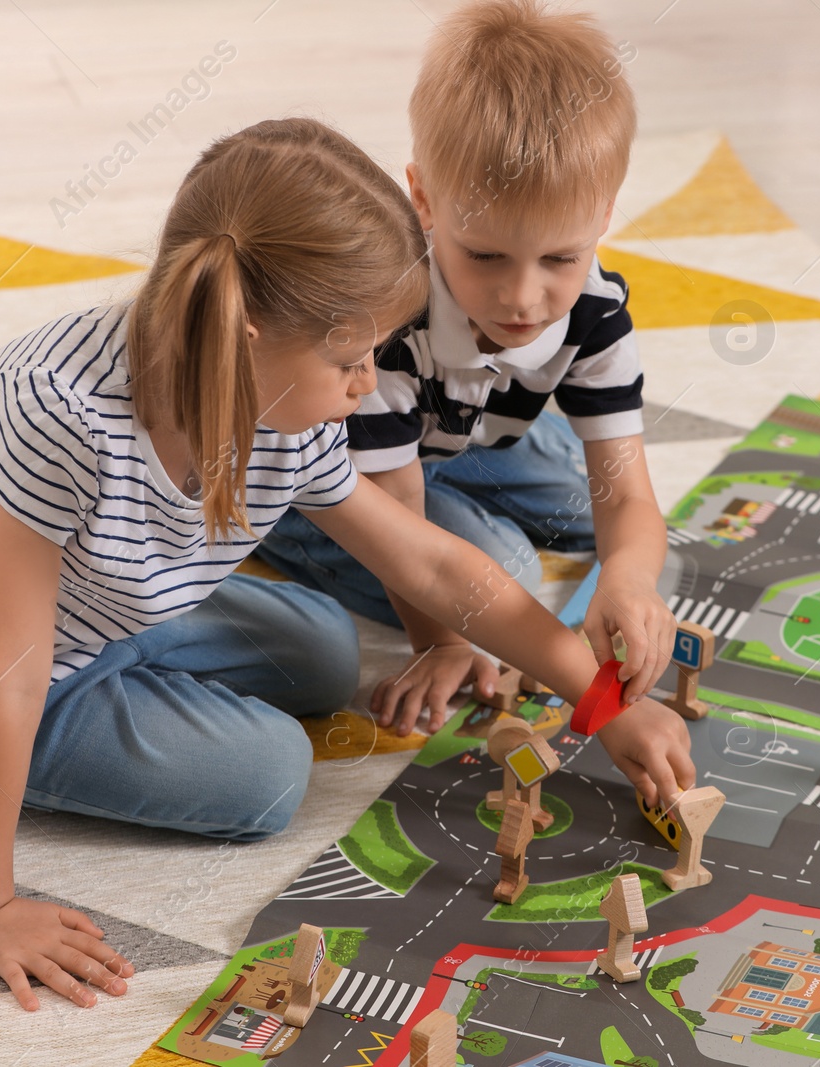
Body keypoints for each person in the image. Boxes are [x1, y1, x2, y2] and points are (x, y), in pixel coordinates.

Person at [0, 118, 693, 1012]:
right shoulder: (62, 419)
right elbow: (7, 677)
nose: (367, 387)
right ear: (247, 334)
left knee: (325, 652)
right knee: (269, 774)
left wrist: (605, 702)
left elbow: (434, 570)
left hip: (109, 610)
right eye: (352, 360)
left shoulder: (287, 405)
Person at [255, 0, 676, 736]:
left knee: (585, 506)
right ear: (422, 200)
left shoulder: (597, 308)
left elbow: (628, 493)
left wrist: (629, 578)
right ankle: (275, 527)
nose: (522, 297)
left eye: (559, 257)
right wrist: (443, 642)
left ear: (604, 215)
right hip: (353, 470)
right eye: (484, 255)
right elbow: (407, 532)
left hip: (456, 437)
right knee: (503, 572)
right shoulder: (384, 321)